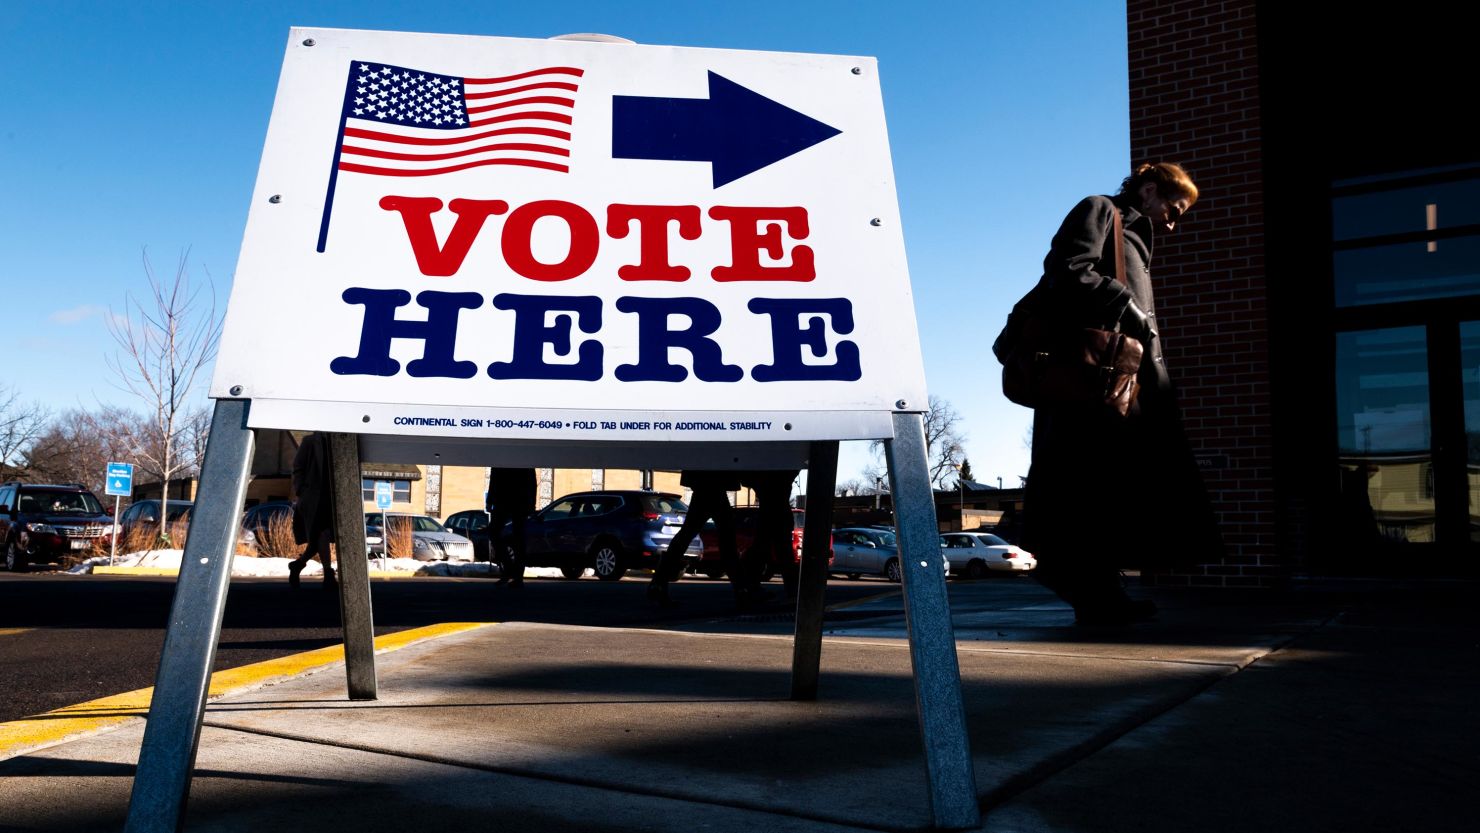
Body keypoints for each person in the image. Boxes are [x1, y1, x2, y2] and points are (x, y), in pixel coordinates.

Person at [1020, 162, 1222, 625]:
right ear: (1149, 191)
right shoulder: (1100, 211)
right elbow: (1067, 270)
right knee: (1084, 488)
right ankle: (1085, 587)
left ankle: (1103, 595)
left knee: (1109, 492)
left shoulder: (1135, 240)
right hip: (1090, 385)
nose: (1173, 222)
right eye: (1173, 208)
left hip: (1125, 387)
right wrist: (1126, 305)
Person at [648, 469, 765, 609]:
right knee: (726, 540)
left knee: (688, 535)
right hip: (714, 487)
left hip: (704, 486)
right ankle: (742, 590)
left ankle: (658, 583)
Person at [739, 469, 800, 597]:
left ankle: (753, 586)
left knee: (761, 551)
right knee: (784, 554)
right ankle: (792, 590)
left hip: (766, 516)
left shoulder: (762, 477)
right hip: (780, 516)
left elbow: (746, 479)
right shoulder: (784, 475)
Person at [289, 432, 336, 589]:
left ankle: (298, 565)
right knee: (322, 533)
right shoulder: (310, 441)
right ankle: (328, 574)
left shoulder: (341, 441)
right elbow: (298, 467)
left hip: (333, 497)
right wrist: (301, 490)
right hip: (314, 498)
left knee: (316, 542)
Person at [487, 467, 537, 587]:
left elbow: (494, 477)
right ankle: (512, 572)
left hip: (512, 499)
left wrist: (490, 500)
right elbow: (532, 481)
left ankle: (514, 574)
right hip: (513, 499)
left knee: (516, 537)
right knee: (512, 536)